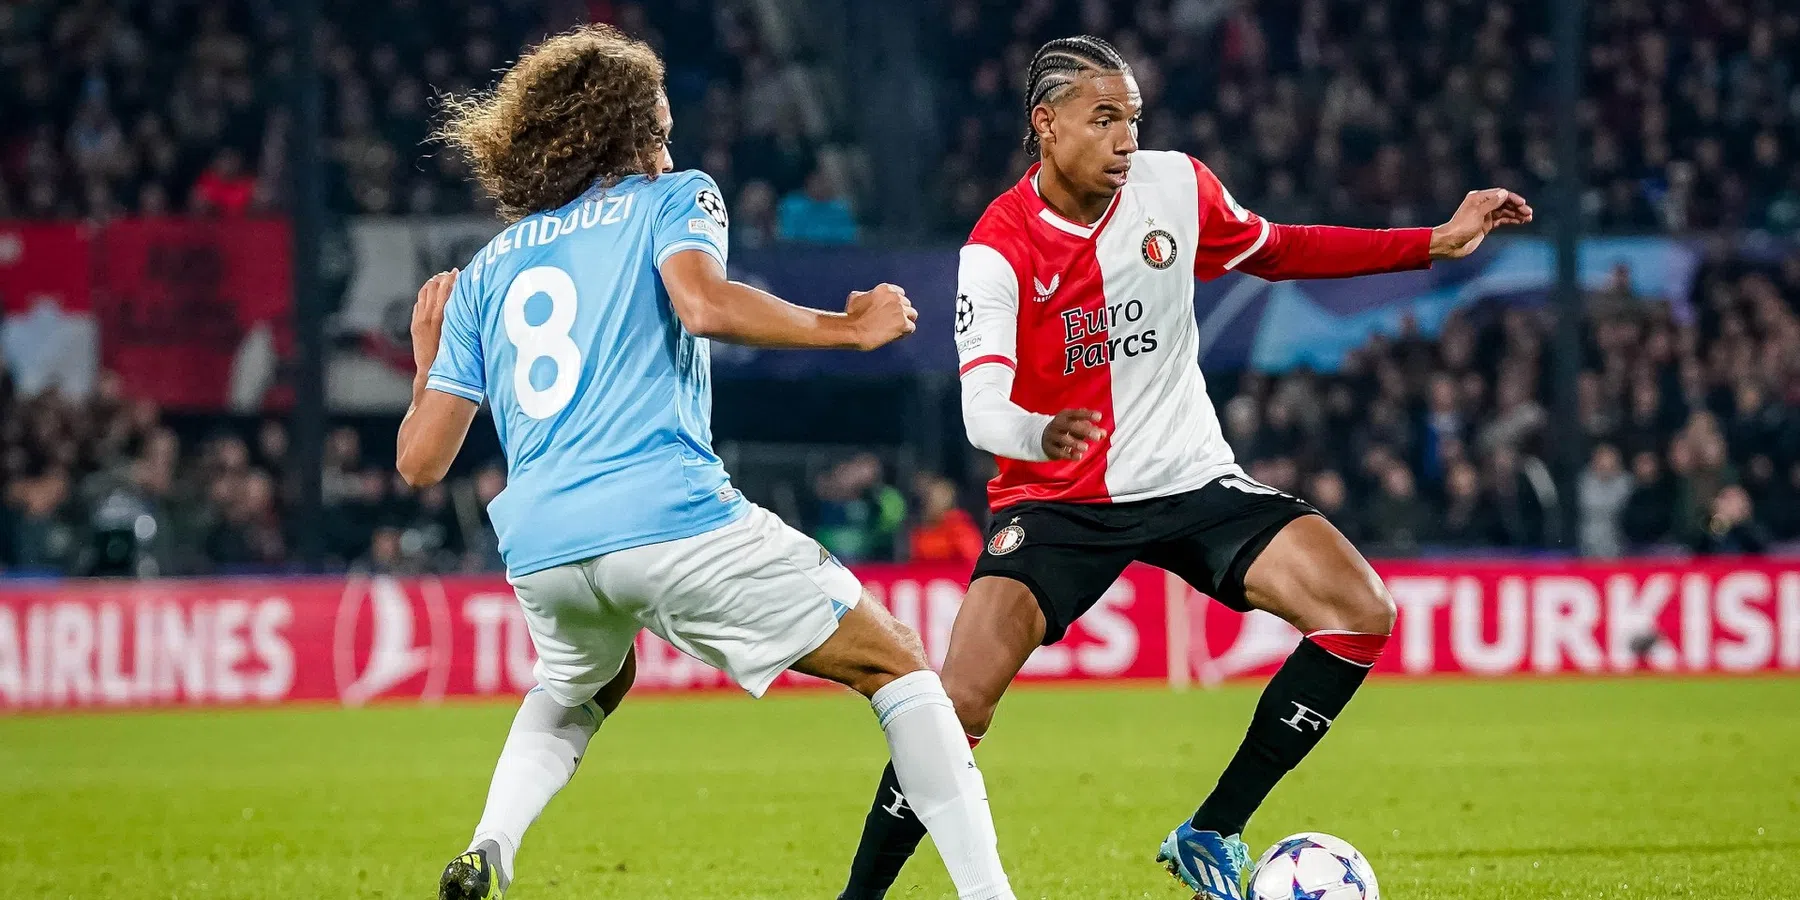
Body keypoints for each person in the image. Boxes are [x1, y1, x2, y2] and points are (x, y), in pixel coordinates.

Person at [836, 35, 1532, 900]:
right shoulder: (998, 247)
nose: (1127, 137)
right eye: (1104, 119)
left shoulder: (1174, 187)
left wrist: (1434, 240)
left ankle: (1213, 830)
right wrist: (1040, 431)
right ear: (1045, 126)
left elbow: (1282, 248)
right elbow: (982, 409)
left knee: (1360, 611)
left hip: (1190, 478)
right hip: (1061, 501)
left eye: (1133, 117)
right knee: (955, 707)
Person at [401, 26, 1016, 900]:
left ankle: (489, 847)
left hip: (540, 549)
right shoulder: (673, 196)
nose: (669, 144)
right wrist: (843, 328)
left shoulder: (492, 265)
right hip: (665, 516)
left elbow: (422, 463)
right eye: (658, 125)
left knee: (582, 685)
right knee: (898, 665)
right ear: (623, 132)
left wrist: (426, 359)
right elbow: (700, 303)